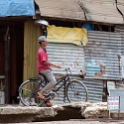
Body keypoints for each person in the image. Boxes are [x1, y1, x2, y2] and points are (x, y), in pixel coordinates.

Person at [37, 36, 61, 107]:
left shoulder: (43, 49)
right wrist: (55, 65)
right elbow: (44, 62)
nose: (47, 42)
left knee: (50, 84)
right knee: (53, 82)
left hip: (45, 68)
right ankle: (41, 92)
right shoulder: (41, 51)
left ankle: (47, 101)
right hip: (44, 69)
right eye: (46, 41)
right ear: (42, 43)